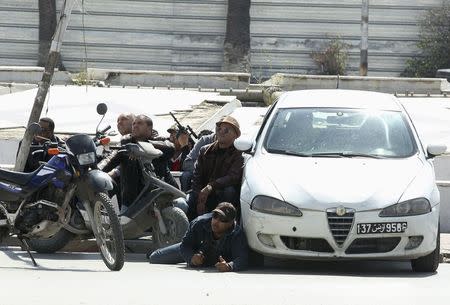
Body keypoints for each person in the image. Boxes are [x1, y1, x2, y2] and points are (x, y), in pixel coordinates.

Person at [102, 114, 177, 208]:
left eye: (140, 123)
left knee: (182, 204)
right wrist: (95, 170)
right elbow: (111, 159)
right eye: (134, 124)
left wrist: (141, 147)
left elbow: (171, 149)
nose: (135, 126)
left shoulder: (160, 141)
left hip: (162, 195)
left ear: (149, 128)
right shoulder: (126, 143)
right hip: (133, 201)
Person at [148, 202, 248, 272]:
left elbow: (243, 257)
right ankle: (155, 251)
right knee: (154, 257)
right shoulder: (199, 223)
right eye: (215, 215)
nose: (216, 221)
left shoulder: (237, 233)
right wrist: (191, 258)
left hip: (214, 258)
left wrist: (229, 266)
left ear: (230, 223)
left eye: (222, 219)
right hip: (195, 250)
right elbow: (185, 245)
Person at [184, 116, 243, 220]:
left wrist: (211, 186)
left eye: (226, 130)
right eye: (219, 129)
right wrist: (200, 199)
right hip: (204, 194)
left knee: (229, 191)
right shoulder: (205, 150)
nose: (221, 132)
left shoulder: (238, 154)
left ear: (235, 135)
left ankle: (224, 223)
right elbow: (197, 176)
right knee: (188, 199)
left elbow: (233, 177)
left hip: (221, 195)